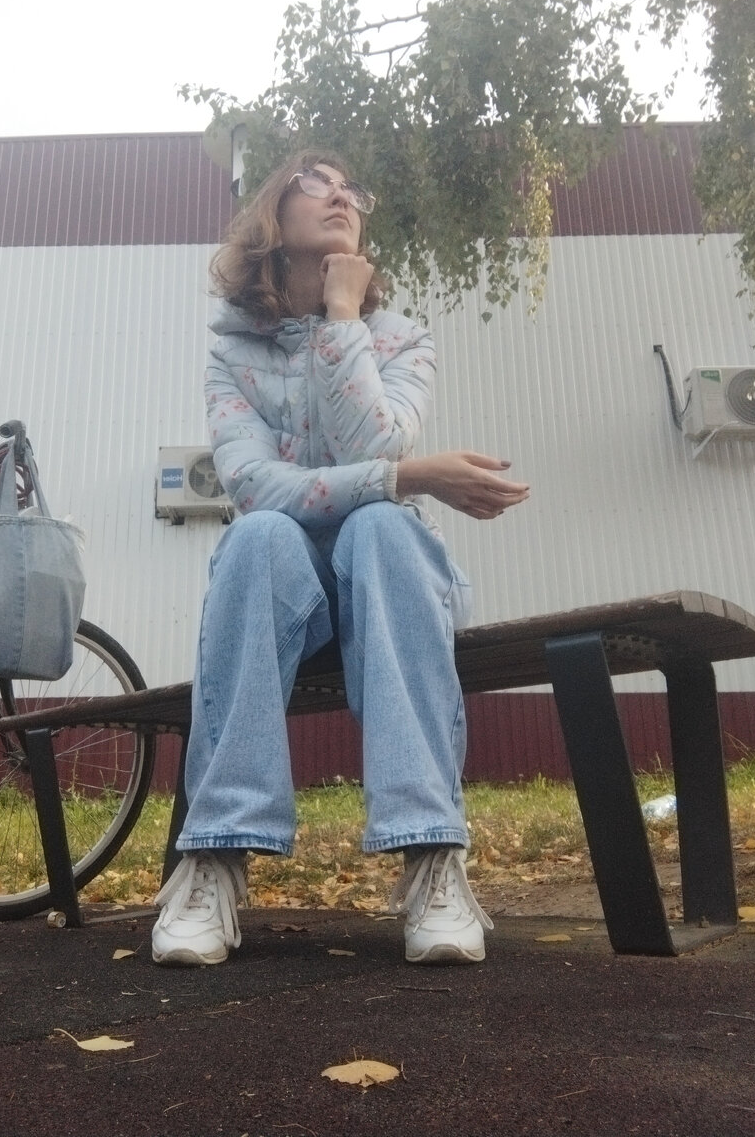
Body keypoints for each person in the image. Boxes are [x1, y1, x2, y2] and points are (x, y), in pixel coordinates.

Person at [151, 150, 530, 967]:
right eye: (315, 184)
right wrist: (410, 477)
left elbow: (372, 444)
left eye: (351, 189)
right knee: (257, 535)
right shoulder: (231, 354)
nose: (341, 197)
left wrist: (343, 316)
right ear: (271, 216)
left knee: (381, 529)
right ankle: (214, 857)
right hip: (282, 594)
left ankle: (433, 855)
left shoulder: (400, 339)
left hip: (391, 588)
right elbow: (256, 487)